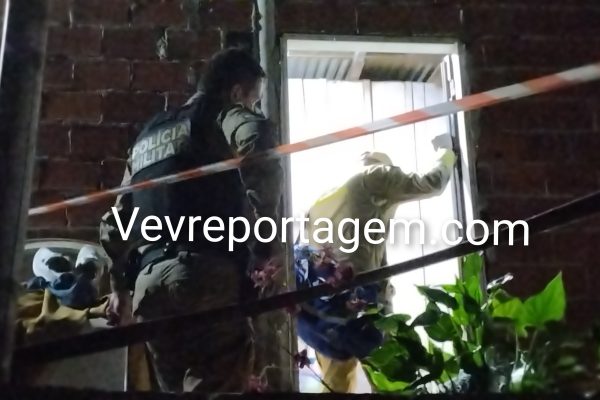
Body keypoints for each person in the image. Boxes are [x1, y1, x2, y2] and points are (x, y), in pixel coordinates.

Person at [99, 48, 283, 393]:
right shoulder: (223, 114)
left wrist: (118, 288)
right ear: (236, 92)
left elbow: (116, 220)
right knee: (220, 389)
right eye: (253, 101)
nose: (253, 109)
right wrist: (264, 245)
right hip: (205, 274)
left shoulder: (148, 136)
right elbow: (255, 135)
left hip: (149, 288)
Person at [296, 148, 456, 393]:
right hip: (353, 301)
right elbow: (431, 183)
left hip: (320, 310)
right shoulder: (376, 176)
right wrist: (447, 154)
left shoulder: (331, 198)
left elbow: (373, 259)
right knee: (389, 374)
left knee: (337, 381)